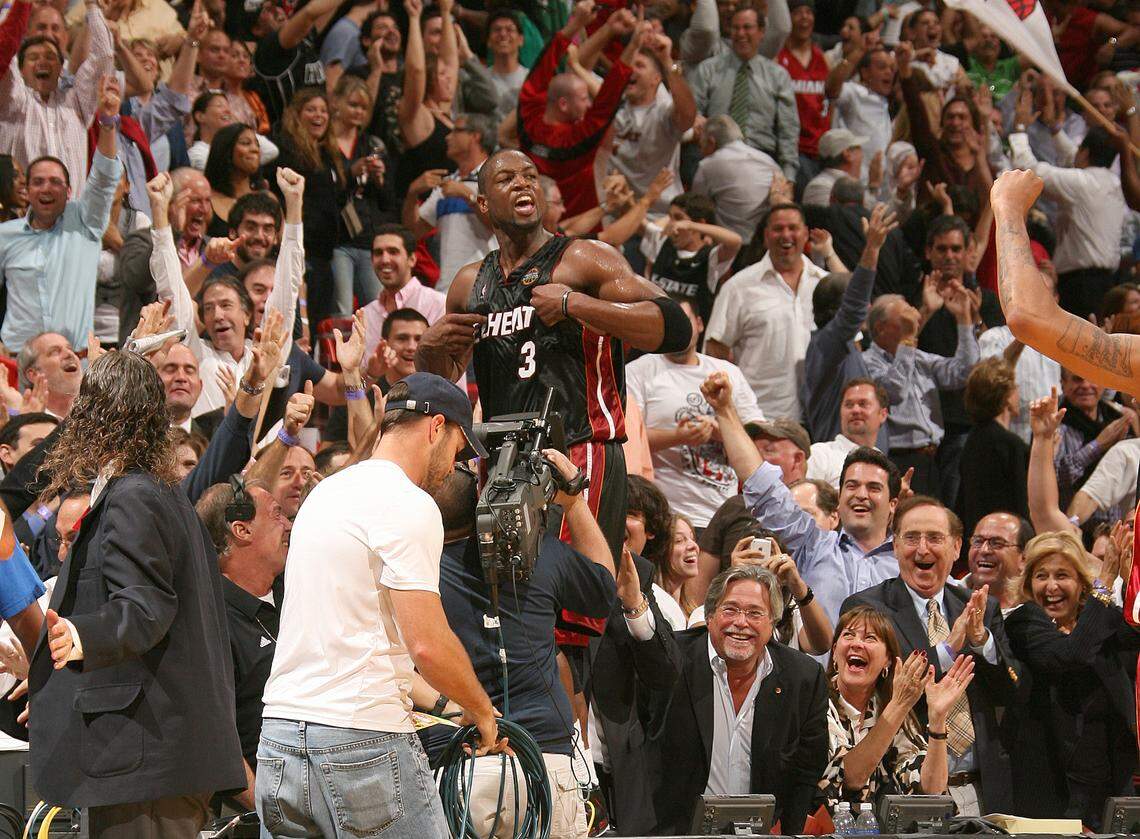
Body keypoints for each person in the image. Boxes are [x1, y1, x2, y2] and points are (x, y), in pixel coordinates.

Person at [256, 374, 503, 838]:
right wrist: (481, 709)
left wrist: (453, 704)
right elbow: (426, 645)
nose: (454, 467)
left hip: (280, 736)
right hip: (359, 739)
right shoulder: (409, 504)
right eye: (457, 448)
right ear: (435, 427)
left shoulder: (323, 494)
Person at [416, 148, 692, 559]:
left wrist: (575, 306)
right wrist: (428, 350)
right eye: (507, 179)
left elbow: (676, 328)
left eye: (530, 176)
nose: (523, 183)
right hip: (503, 457)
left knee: (575, 599)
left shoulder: (583, 259)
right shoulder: (469, 284)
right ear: (484, 203)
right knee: (508, 597)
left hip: (580, 447)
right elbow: (444, 380)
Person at [28, 351, 245, 837]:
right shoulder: (156, 493)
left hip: (146, 756)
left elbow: (146, 606)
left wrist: (80, 635)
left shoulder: (134, 497)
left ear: (93, 415)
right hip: (154, 755)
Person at [423, 450, 617, 839]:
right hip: (542, 760)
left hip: (463, 763)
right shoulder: (539, 554)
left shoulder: (415, 568)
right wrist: (575, 501)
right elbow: (603, 589)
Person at [839, 495, 1024, 816]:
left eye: (934, 538)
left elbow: (1008, 693)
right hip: (904, 789)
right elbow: (893, 691)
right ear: (895, 546)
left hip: (981, 789)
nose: (922, 549)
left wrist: (982, 642)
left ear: (955, 548)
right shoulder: (867, 609)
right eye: (911, 538)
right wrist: (949, 649)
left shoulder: (981, 606)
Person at [635, 564, 829, 834]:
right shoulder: (673, 661)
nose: (741, 622)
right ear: (710, 615)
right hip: (675, 832)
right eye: (730, 610)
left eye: (754, 613)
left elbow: (807, 770)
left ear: (772, 622)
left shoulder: (803, 678)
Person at [705, 370, 901, 625]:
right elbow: (761, 485)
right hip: (819, 665)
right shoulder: (813, 545)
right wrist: (724, 410)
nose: (860, 495)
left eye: (874, 488)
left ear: (893, 504)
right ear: (839, 499)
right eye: (852, 486)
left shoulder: (909, 561)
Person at [1001, 530, 1140, 828]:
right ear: (1028, 583)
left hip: (1111, 786)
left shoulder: (1102, 619)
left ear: (1080, 583)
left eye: (1062, 575)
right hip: (1052, 789)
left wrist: (1130, 583)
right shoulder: (1025, 622)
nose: (1051, 586)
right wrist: (1106, 583)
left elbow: (1134, 637)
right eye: (1041, 576)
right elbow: (1070, 654)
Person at [148, 168, 303, 417]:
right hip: (204, 452)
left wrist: (294, 206)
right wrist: (159, 211)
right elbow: (171, 289)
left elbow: (289, 285)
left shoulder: (267, 353)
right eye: (208, 308)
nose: (217, 315)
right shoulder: (194, 354)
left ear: (246, 314)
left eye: (226, 305)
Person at [0, 76, 124, 353]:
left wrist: (107, 123)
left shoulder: (85, 222)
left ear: (69, 191)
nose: (47, 188)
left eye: (55, 182)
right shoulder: (3, 236)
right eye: (38, 182)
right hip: (18, 362)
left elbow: (104, 178)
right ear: (27, 190)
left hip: (74, 360)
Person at [626, 296, 763, 530]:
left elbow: (758, 435)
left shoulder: (728, 372)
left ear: (699, 324)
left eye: (684, 321)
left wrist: (722, 432)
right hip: (671, 514)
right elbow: (629, 440)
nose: (678, 330)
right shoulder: (639, 371)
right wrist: (679, 436)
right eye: (670, 324)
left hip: (727, 511)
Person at [817, 605, 972, 811]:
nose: (857, 644)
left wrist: (937, 720)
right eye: (849, 635)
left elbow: (930, 791)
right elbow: (850, 778)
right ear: (835, 652)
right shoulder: (816, 702)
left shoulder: (887, 707)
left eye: (870, 638)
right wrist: (899, 705)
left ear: (887, 660)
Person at [195, 475, 289, 810]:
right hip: (258, 810)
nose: (288, 524)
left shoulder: (297, 596)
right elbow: (212, 738)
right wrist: (271, 815)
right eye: (276, 513)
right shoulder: (208, 621)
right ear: (241, 530)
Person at [705, 203, 826, 420]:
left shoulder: (825, 283)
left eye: (793, 228)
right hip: (760, 415)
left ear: (806, 234)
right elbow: (715, 350)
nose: (786, 235)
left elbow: (851, 344)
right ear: (766, 236)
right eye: (778, 229)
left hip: (821, 416)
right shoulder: (738, 287)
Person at [516, 2, 638, 216]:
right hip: (579, 230)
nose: (589, 104)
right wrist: (635, 43)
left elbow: (539, 72)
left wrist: (576, 24)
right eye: (583, 98)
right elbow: (606, 104)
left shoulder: (529, 122)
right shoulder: (574, 140)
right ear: (563, 104)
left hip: (533, 223)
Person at [863, 283, 979, 500]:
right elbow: (893, 393)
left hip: (936, 458)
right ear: (881, 328)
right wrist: (908, 341)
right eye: (905, 320)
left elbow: (964, 372)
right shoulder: (868, 363)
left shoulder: (917, 357)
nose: (915, 323)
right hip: (900, 459)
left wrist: (964, 320)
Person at [1008, 121, 1125, 319]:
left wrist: (1019, 127)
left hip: (1080, 286)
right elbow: (1075, 157)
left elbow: (1028, 169)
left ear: (1086, 152)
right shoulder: (1115, 183)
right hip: (1107, 281)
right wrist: (1055, 129)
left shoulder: (1081, 183)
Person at [0, 0, 114, 199]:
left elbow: (103, 55)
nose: (43, 61)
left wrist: (92, 7)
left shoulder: (77, 102)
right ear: (21, 69)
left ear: (61, 69)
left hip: (70, 224)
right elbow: (3, 49)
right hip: (20, 222)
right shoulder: (12, 100)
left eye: (50, 57)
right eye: (34, 57)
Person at [803, 205, 896, 444]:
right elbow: (854, 305)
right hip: (842, 472)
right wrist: (872, 249)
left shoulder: (843, 347)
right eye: (860, 304)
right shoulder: (826, 345)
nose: (867, 308)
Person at [691, 2, 801, 181]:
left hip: (761, 157)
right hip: (715, 156)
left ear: (761, 32)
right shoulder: (708, 69)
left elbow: (788, 130)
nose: (741, 34)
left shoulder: (777, 76)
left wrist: (788, 177)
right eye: (736, 28)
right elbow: (693, 114)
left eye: (747, 27)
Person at [403, 113, 495, 296]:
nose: (447, 136)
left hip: (488, 286)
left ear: (475, 136)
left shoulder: (495, 177)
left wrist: (467, 195)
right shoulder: (446, 185)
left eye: (456, 131)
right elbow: (413, 232)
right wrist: (412, 194)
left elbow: (499, 223)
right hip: (448, 287)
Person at [609, 31, 696, 214]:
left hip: (659, 216)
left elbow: (688, 116)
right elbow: (578, 69)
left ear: (656, 78)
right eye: (629, 65)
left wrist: (666, 61)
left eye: (639, 65)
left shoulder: (662, 112)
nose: (631, 70)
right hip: (618, 217)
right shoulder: (610, 109)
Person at [956, 358, 1029, 544]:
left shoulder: (971, 441)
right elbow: (1023, 504)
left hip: (977, 540)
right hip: (1007, 542)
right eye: (1015, 387)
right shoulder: (1010, 444)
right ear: (1005, 395)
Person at [361, 225, 446, 359]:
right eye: (378, 253)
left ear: (412, 259)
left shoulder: (438, 305)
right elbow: (360, 376)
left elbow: (450, 371)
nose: (385, 260)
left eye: (393, 252)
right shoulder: (365, 315)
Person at [691, 114, 781, 239]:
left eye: (701, 144)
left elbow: (696, 208)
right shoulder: (767, 160)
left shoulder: (707, 165)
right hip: (767, 242)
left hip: (732, 245)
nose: (700, 151)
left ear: (711, 142)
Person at [808, 379, 890, 489]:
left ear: (883, 414)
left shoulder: (884, 463)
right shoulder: (820, 454)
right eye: (849, 405)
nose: (855, 410)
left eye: (863, 404)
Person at [203, 123, 266, 237]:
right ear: (226, 149)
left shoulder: (268, 199)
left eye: (257, 144)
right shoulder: (206, 202)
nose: (255, 149)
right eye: (246, 143)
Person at [962, 513, 1033, 612]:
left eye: (997, 543)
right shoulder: (945, 596)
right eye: (978, 541)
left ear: (1024, 559)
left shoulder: (1040, 609)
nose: (984, 550)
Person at [802, 129, 876, 208]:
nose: (862, 155)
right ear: (847, 154)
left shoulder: (855, 184)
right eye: (858, 148)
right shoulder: (820, 186)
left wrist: (874, 185)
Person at [16, 333, 83, 419]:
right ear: (34, 374)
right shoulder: (22, 425)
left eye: (70, 349)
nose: (69, 354)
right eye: (54, 352)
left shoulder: (98, 412)